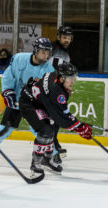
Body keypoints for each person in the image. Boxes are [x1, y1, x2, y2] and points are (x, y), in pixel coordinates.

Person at [0, 37, 54, 163]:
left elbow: (49, 91)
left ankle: (51, 157)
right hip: (15, 101)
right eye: (43, 52)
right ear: (35, 50)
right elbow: (8, 75)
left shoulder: (49, 69)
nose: (46, 55)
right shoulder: (20, 59)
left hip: (32, 105)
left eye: (48, 52)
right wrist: (8, 91)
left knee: (42, 132)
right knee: (2, 131)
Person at [19, 62, 92, 175]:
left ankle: (47, 159)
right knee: (45, 130)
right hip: (29, 104)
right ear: (62, 78)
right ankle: (36, 163)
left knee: (52, 128)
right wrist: (79, 126)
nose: (73, 81)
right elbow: (60, 116)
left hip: (40, 102)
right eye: (70, 78)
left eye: (74, 78)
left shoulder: (56, 79)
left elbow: (61, 114)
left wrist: (77, 125)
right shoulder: (56, 92)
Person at [49, 25, 74, 162]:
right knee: (50, 117)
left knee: (56, 117)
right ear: (58, 37)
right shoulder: (51, 49)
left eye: (69, 38)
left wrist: (66, 87)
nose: (66, 40)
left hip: (57, 88)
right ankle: (50, 145)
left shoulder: (66, 53)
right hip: (47, 88)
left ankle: (53, 141)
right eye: (64, 37)